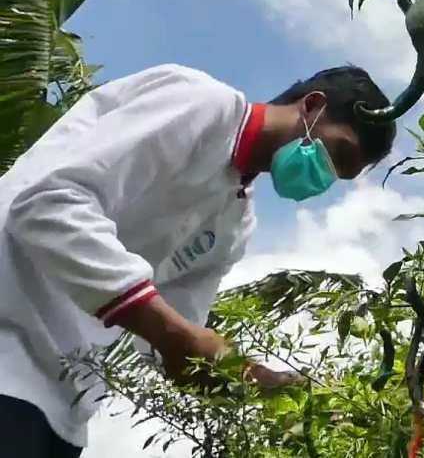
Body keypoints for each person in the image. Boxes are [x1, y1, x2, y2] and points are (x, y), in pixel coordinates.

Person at [0, 64, 396, 457]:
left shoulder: (235, 223)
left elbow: (174, 340)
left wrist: (256, 379)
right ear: (312, 106)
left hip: (62, 409)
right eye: (338, 153)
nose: (325, 176)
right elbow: (47, 203)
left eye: (339, 175)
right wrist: (174, 335)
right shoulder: (200, 105)